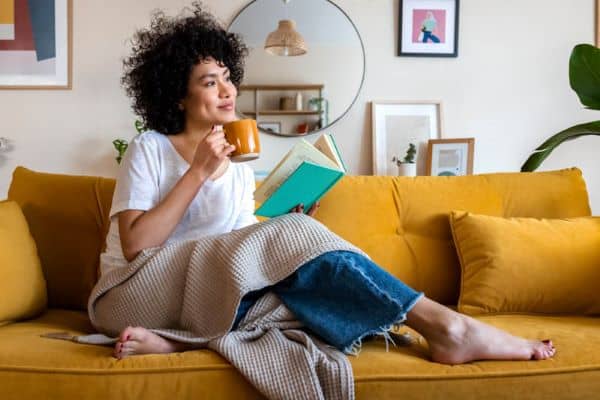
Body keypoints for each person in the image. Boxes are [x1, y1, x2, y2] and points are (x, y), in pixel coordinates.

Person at [100, 2, 556, 364]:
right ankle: (448, 326)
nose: (227, 91)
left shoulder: (238, 167)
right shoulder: (151, 149)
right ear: (178, 96)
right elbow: (138, 245)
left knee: (303, 293)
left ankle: (182, 342)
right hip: (133, 293)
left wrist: (285, 225)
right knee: (297, 281)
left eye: (228, 78)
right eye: (209, 82)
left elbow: (236, 249)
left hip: (202, 295)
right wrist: (198, 172)